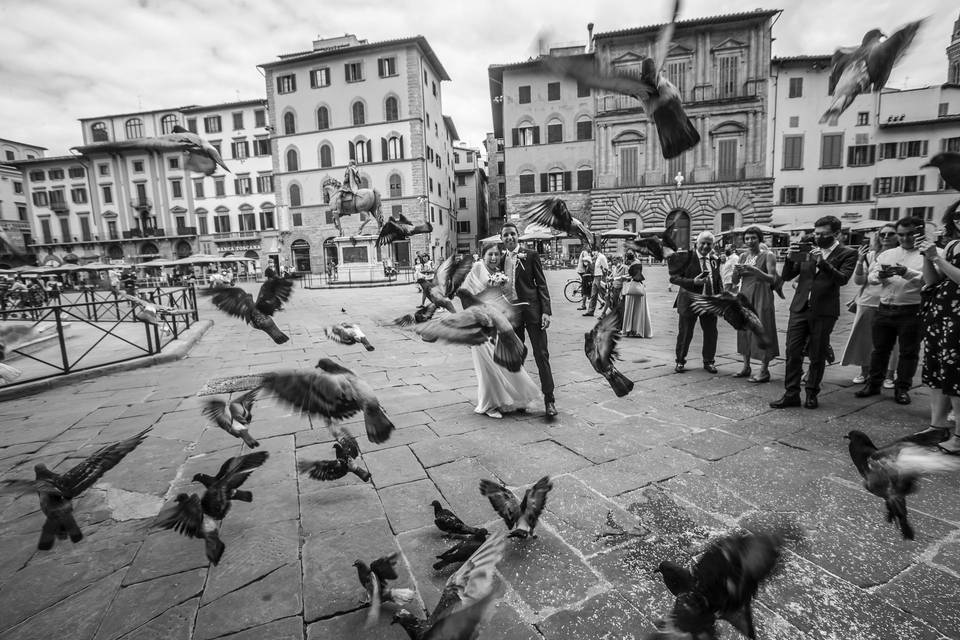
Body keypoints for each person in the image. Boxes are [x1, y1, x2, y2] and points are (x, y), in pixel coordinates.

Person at [771, 215, 857, 409]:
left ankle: (811, 393)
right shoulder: (808, 248)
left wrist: (822, 262)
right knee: (793, 352)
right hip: (800, 307)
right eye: (815, 233)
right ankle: (791, 393)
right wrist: (789, 259)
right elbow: (787, 276)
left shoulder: (847, 253)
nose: (817, 237)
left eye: (822, 234)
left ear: (836, 234)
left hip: (824, 310)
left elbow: (842, 279)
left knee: (817, 354)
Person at [461, 243, 541, 418]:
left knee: (502, 363)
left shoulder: (496, 272)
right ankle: (489, 405)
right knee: (487, 368)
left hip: (496, 325)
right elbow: (464, 294)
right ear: (483, 255)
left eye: (496, 254)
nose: (494, 257)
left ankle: (511, 399)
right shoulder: (477, 268)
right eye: (490, 254)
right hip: (479, 327)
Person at [853, 217, 926, 405]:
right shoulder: (887, 254)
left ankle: (902, 388)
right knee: (879, 350)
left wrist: (906, 272)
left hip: (912, 309)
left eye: (910, 234)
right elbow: (872, 277)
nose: (905, 238)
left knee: (908, 352)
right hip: (884, 307)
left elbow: (928, 281)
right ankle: (873, 384)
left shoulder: (929, 253)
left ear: (920, 232)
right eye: (901, 235)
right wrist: (879, 275)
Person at [911, 202, 960, 451]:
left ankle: (959, 436)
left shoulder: (948, 250)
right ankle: (937, 426)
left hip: (958, 316)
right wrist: (927, 257)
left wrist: (936, 258)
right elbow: (931, 281)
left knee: (956, 374)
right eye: (957, 215)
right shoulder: (952, 245)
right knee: (937, 370)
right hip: (942, 313)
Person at [500, 222, 557, 417]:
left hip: (533, 311)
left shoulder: (531, 255)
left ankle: (550, 400)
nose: (509, 237)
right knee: (517, 357)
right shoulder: (500, 260)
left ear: (518, 236)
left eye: (512, 234)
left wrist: (546, 311)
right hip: (513, 315)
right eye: (506, 235)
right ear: (502, 239)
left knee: (541, 355)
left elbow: (541, 284)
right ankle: (521, 399)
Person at [841, 227, 900, 385]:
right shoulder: (871, 255)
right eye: (882, 234)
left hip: (892, 301)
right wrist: (860, 260)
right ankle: (864, 371)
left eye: (890, 234)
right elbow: (859, 281)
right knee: (864, 338)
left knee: (893, 341)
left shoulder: (902, 255)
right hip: (868, 300)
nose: (886, 237)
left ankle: (889, 374)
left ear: (898, 236)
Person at [669, 231, 724, 373]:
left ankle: (709, 361)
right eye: (703, 243)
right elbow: (674, 278)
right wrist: (693, 281)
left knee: (711, 333)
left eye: (709, 244)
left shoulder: (714, 259)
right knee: (685, 333)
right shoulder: (685, 257)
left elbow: (717, 280)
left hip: (709, 302)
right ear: (696, 244)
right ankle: (680, 361)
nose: (705, 246)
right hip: (689, 302)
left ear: (713, 245)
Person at [732, 226, 780, 383]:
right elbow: (734, 281)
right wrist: (736, 273)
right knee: (744, 330)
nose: (750, 241)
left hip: (762, 296)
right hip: (745, 295)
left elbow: (772, 279)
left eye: (753, 238)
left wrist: (754, 270)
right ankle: (746, 367)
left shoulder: (768, 255)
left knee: (762, 328)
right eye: (747, 238)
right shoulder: (742, 256)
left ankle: (764, 370)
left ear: (759, 239)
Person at [621, 262, 652, 338]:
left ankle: (630, 329)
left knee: (631, 310)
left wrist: (627, 278)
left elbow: (633, 276)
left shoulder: (634, 266)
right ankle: (638, 329)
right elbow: (637, 276)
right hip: (639, 290)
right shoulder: (638, 266)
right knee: (639, 310)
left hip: (633, 290)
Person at [583, 250, 609, 316]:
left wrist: (603, 277)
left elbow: (606, 268)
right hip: (595, 277)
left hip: (600, 277)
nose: (593, 254)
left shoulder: (602, 257)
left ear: (597, 251)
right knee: (593, 295)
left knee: (603, 295)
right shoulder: (596, 258)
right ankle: (590, 311)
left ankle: (610, 309)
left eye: (594, 252)